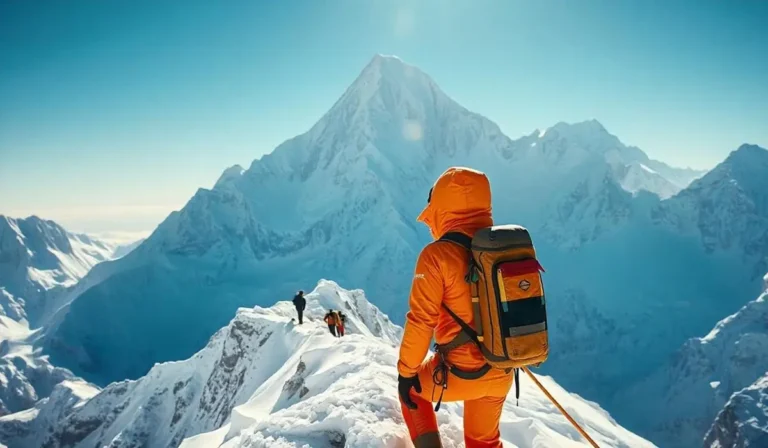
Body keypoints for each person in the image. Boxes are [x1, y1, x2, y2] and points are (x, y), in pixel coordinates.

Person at [397, 167, 513, 448]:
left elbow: (421, 321)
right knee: (483, 442)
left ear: (441, 207)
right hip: (503, 370)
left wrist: (406, 372)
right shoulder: (504, 250)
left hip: (460, 374)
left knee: (412, 394)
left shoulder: (436, 256)